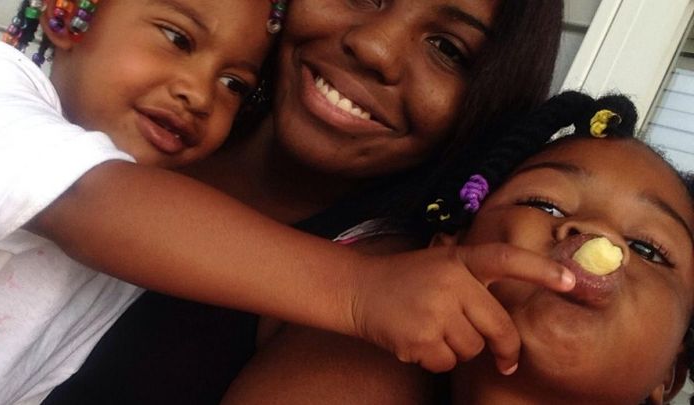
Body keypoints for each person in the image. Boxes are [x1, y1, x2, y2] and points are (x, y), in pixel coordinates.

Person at [36, 1, 572, 403]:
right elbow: (76, 192)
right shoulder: (100, 108)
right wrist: (359, 291)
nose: (375, 46)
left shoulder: (397, 309)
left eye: (448, 49)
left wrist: (372, 293)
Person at [220, 92, 694, 405]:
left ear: (671, 371)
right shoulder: (354, 352)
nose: (598, 233)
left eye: (648, 248)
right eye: (544, 205)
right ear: (444, 253)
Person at [0, 0, 275, 403]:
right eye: (177, 38)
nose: (200, 95)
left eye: (233, 84)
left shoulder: (130, 265)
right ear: (67, 15)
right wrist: (353, 295)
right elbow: (87, 195)